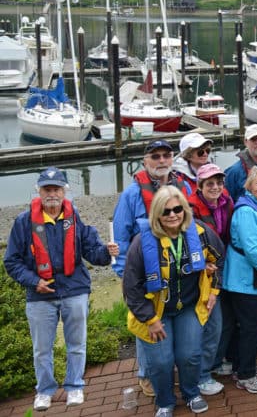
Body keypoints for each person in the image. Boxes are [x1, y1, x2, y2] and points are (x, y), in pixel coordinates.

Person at [4, 168, 118, 412]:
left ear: (65, 191)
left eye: (57, 189)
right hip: (39, 295)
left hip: (74, 290)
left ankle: (75, 385)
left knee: (76, 343)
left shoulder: (75, 219)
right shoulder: (24, 223)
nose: (52, 193)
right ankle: (44, 390)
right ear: (39, 191)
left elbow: (93, 253)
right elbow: (11, 262)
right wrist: (34, 281)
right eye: (47, 189)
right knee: (41, 348)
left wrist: (107, 252)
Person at [123, 186, 223, 417]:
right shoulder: (141, 243)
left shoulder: (200, 233)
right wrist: (149, 319)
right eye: (166, 211)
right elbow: (131, 286)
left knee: (190, 355)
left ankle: (191, 393)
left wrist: (214, 290)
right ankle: (165, 402)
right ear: (157, 213)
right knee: (160, 361)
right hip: (156, 312)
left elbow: (220, 257)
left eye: (178, 209)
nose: (172, 215)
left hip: (188, 307)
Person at [112, 139, 189, 398]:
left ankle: (169, 369)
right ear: (145, 161)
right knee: (146, 322)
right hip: (144, 271)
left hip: (177, 269)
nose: (161, 161)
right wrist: (124, 273)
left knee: (175, 321)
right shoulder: (132, 194)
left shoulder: (183, 186)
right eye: (155, 156)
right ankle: (146, 373)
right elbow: (121, 235)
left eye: (166, 155)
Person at [221, 167, 257, 394]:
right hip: (243, 278)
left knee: (247, 324)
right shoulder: (247, 211)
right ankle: (245, 374)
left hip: (252, 276)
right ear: (249, 186)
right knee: (251, 326)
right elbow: (252, 249)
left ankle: (240, 364)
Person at [187, 164, 234, 397]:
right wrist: (201, 264)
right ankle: (201, 375)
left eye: (219, 182)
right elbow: (185, 239)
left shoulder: (226, 202)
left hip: (220, 267)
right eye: (209, 183)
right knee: (206, 324)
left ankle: (212, 364)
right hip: (199, 274)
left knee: (219, 322)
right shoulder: (188, 208)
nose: (215, 187)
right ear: (199, 186)